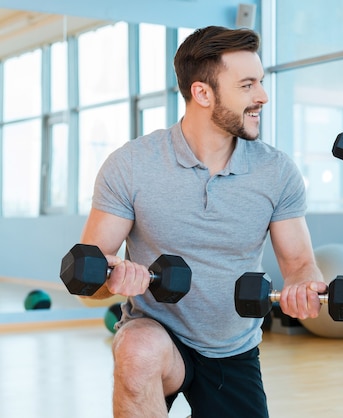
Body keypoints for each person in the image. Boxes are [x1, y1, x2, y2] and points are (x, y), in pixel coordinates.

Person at [79, 26, 326, 418]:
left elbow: (298, 264)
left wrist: (302, 286)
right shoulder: (131, 165)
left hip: (232, 344)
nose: (262, 96)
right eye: (247, 85)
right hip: (157, 331)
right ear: (202, 93)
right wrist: (113, 279)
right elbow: (88, 279)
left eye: (260, 82)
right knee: (136, 350)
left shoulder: (276, 171)